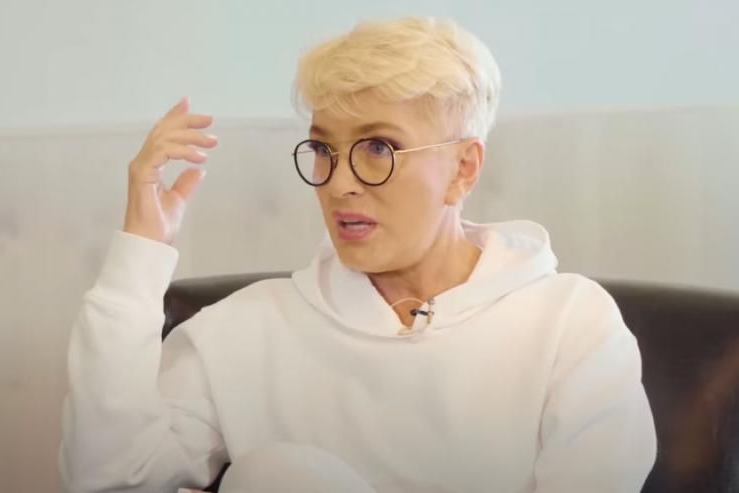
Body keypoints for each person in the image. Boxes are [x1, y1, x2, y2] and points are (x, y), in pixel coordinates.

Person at [59, 16, 656, 493]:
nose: (339, 183)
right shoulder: (245, 329)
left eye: (377, 148)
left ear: (463, 168)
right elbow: (111, 477)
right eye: (323, 149)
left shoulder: (570, 322)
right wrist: (141, 252)